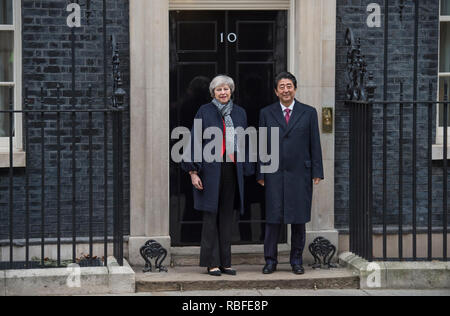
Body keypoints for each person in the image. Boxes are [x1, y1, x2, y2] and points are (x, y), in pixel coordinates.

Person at [181, 75, 254, 276]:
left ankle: (226, 262)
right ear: (213, 93)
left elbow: (244, 143)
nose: (223, 93)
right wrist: (193, 172)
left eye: (226, 89)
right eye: (219, 90)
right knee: (210, 216)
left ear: (231, 91)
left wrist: (247, 168)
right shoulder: (204, 112)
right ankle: (211, 262)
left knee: (226, 218)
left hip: (231, 170)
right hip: (209, 171)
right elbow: (195, 141)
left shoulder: (240, 113)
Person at [257, 72, 324, 275]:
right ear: (276, 91)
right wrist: (261, 172)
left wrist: (317, 171)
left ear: (295, 89)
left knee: (298, 220)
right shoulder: (266, 113)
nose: (286, 90)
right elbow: (262, 145)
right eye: (282, 87)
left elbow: (315, 143)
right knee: (272, 220)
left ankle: (296, 261)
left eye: (289, 86)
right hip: (273, 173)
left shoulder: (309, 112)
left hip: (300, 174)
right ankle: (270, 261)